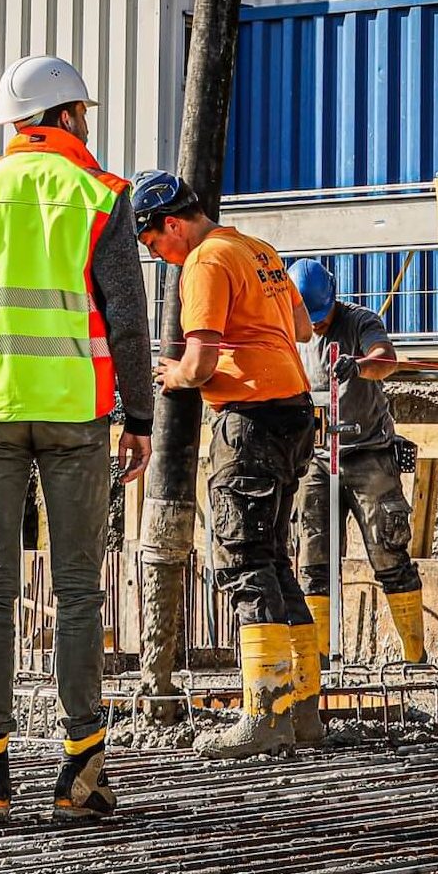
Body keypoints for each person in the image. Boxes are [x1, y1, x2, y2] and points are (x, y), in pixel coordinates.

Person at [0, 55, 153, 822]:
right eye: (81, 111)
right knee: (78, 588)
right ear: (62, 115)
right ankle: (81, 773)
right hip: (76, 413)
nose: (86, 122)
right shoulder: (101, 194)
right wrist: (140, 416)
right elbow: (128, 318)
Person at [133, 169, 322, 760]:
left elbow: (200, 364)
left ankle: (263, 716)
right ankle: (302, 710)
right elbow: (302, 327)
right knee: (275, 561)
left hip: (250, 421)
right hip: (294, 411)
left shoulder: (205, 261)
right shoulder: (257, 249)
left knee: (244, 561)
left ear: (171, 224)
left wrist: (172, 375)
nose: (158, 256)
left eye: (153, 243)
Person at [289, 258, 426, 665]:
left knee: (389, 553)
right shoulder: (291, 329)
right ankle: (318, 660)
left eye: (321, 316)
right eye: (309, 318)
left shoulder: (360, 321)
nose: (316, 325)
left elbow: (386, 359)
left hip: (368, 454)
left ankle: (414, 657)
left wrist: (360, 366)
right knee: (314, 560)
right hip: (316, 457)